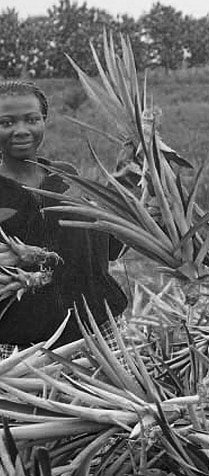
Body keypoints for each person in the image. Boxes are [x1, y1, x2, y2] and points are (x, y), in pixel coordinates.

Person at [0, 81, 127, 356]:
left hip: (97, 331)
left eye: (32, 119)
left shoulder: (66, 175)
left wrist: (131, 199)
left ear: (43, 120)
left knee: (114, 401)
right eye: (6, 122)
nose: (21, 130)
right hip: (19, 348)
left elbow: (107, 247)